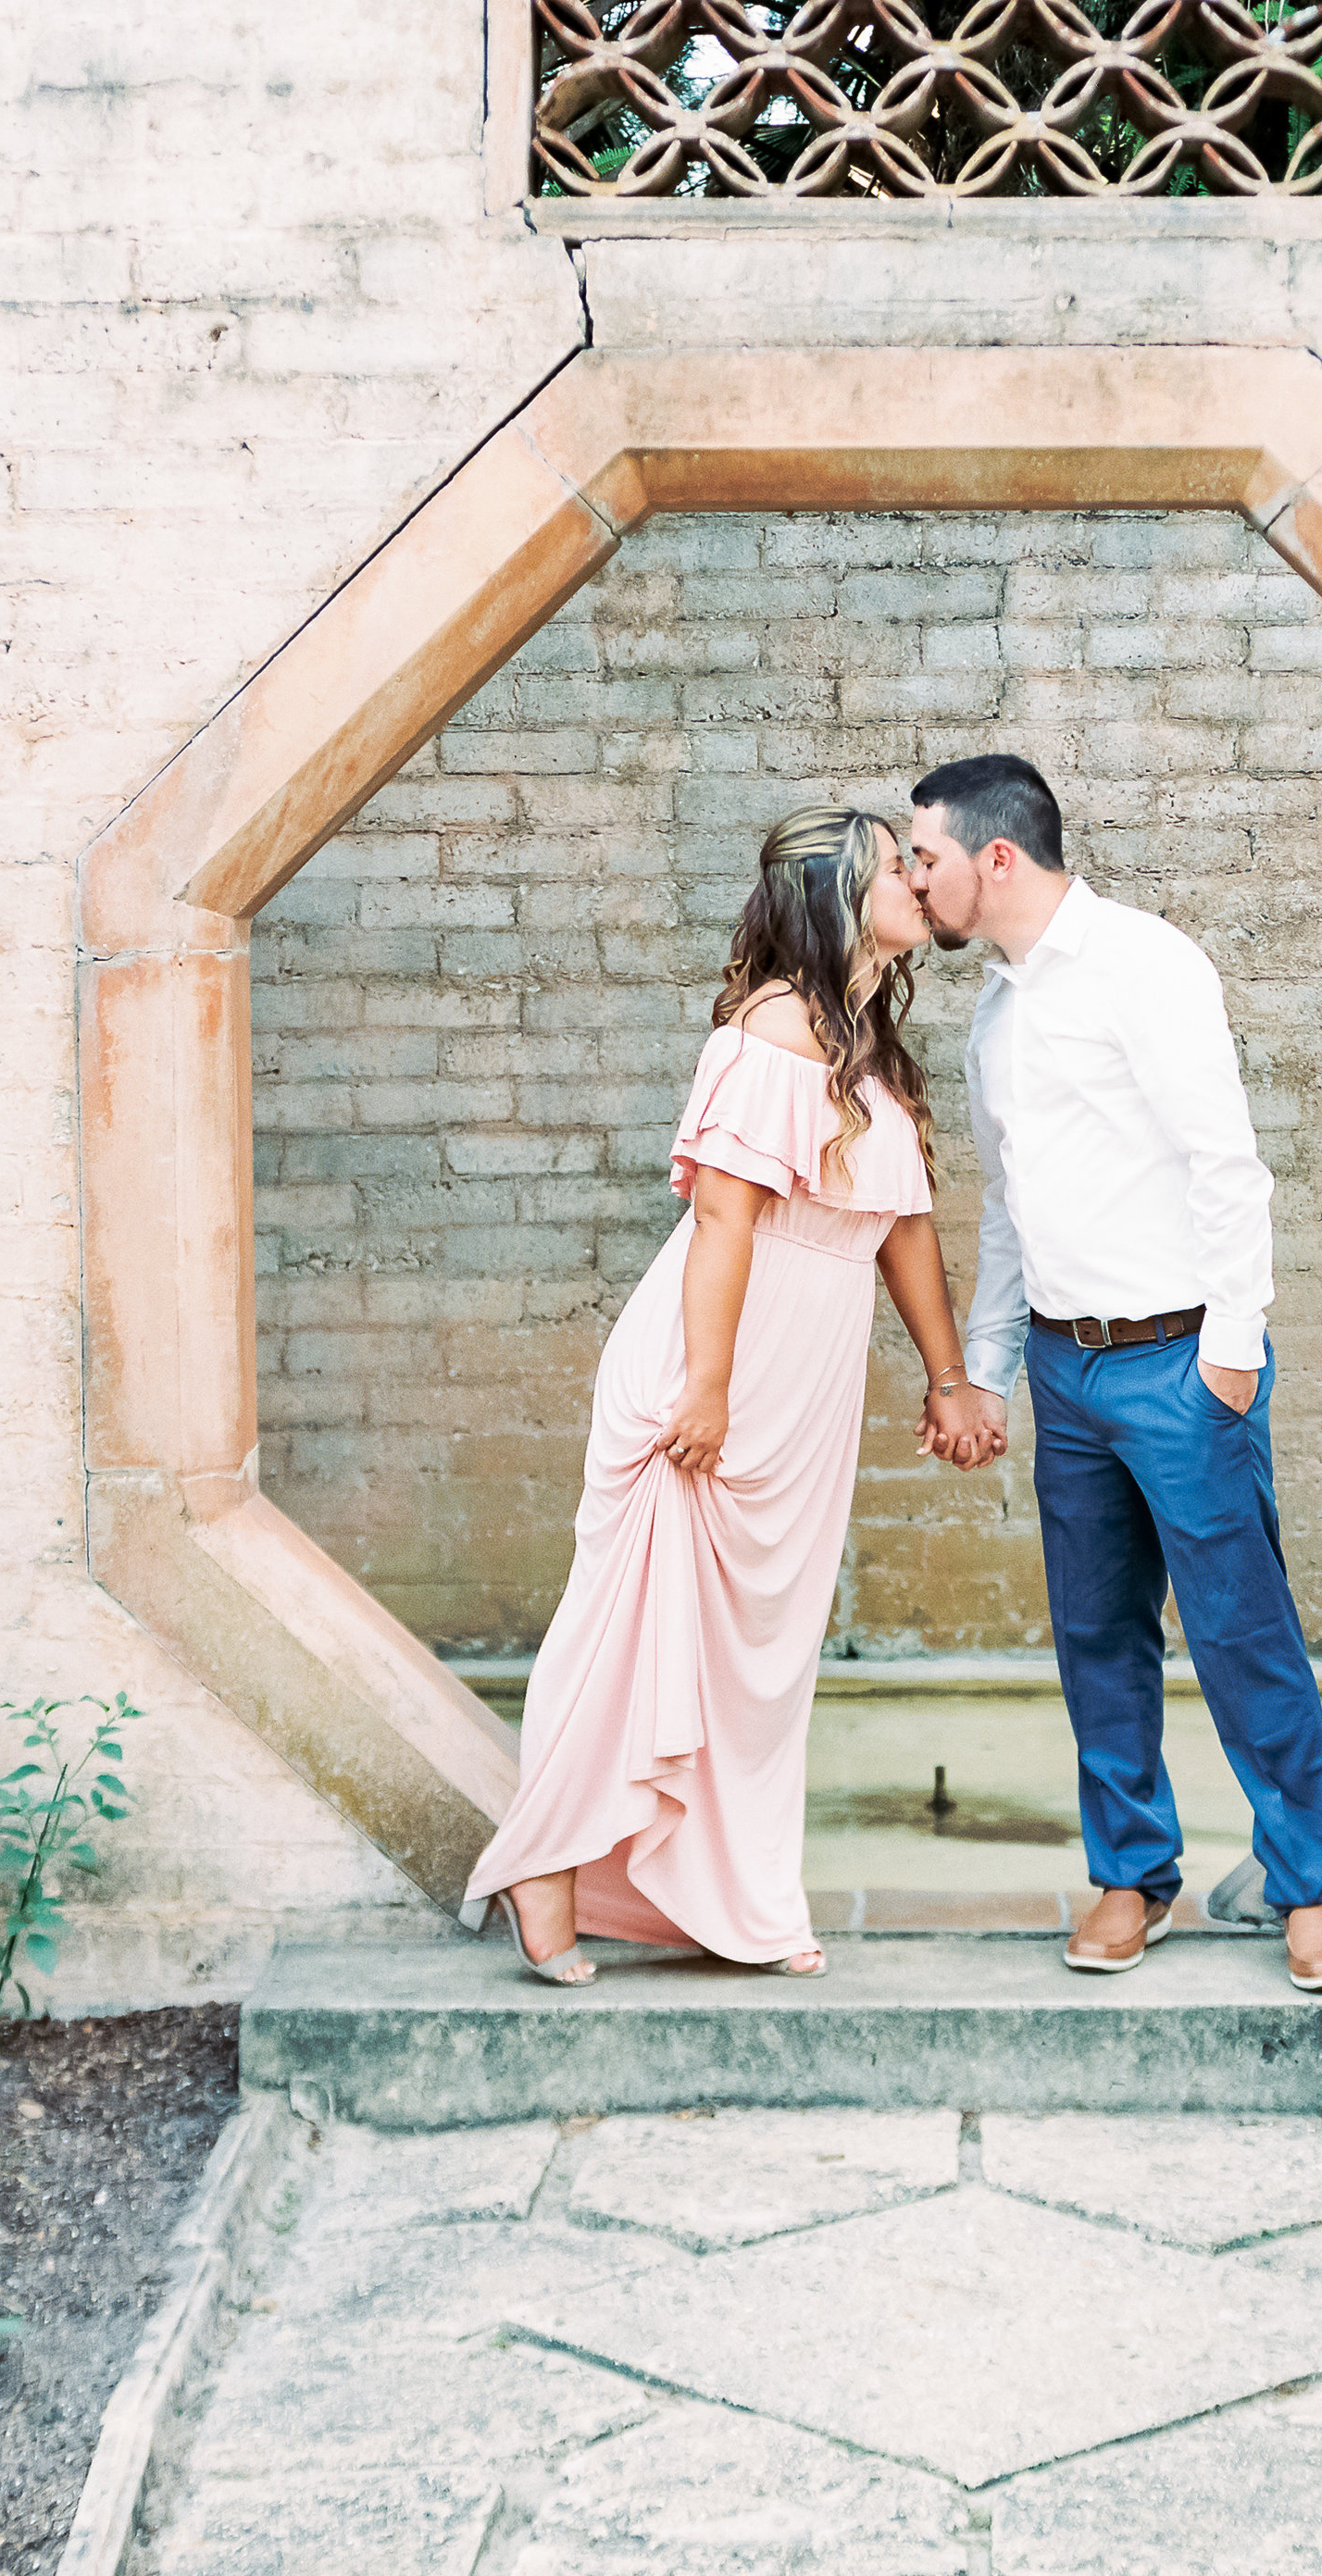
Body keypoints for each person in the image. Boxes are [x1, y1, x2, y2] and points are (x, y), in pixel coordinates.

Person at [462, 805, 991, 1985]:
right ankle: (545, 1866)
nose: (917, 880)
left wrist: (945, 1376)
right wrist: (705, 1387)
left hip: (805, 1381)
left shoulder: (862, 1041)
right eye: (894, 868)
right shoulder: (772, 1032)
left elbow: (900, 1226)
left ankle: (718, 1894)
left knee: (756, 1656)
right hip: (719, 1363)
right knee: (630, 1623)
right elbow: (722, 1219)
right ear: (838, 895)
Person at [909, 753, 1322, 1995]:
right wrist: (992, 1367)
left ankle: (1313, 1886)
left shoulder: (1145, 964)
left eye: (925, 858)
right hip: (1066, 1373)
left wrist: (1229, 1352)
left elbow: (1226, 1163)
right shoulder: (995, 1015)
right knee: (1098, 1636)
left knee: (1240, 1630)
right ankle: (1132, 1872)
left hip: (1181, 1365)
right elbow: (1007, 1210)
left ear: (995, 857)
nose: (912, 879)